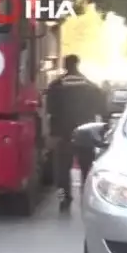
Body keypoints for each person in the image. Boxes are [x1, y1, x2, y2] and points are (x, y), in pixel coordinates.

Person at [46, 55, 106, 211]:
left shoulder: (55, 86)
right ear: (78, 64)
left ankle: (63, 200)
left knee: (62, 171)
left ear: (65, 65)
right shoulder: (91, 87)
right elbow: (102, 110)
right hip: (86, 133)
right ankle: (87, 199)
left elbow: (50, 111)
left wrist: (52, 134)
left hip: (62, 134)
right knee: (86, 168)